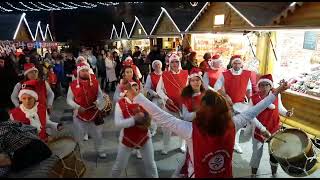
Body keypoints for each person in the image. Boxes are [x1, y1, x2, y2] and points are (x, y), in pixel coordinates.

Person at [121, 79, 290, 178]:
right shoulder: (234, 123)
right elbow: (257, 108)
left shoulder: (189, 130)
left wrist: (137, 97)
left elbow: (162, 117)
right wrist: (275, 93)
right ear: (224, 110)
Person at [111, 81, 158, 178]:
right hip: (127, 138)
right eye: (132, 88)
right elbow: (118, 123)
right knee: (119, 166)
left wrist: (149, 120)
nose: (135, 91)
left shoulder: (143, 101)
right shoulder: (120, 104)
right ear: (126, 91)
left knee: (151, 164)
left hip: (145, 137)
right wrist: (134, 120)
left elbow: (153, 119)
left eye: (136, 88)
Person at [250, 74, 293, 178]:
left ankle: (274, 173)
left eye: (267, 85)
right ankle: (253, 174)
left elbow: (279, 108)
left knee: (274, 154)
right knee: (256, 154)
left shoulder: (276, 94)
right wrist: (262, 128)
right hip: (259, 130)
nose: (264, 88)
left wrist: (287, 113)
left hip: (274, 128)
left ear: (270, 86)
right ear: (258, 86)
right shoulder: (254, 98)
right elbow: (251, 116)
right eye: (261, 85)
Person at [214, 55, 253, 154]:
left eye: (239, 63)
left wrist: (249, 100)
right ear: (231, 64)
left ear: (242, 64)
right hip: (227, 104)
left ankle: (235, 144)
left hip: (241, 104)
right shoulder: (225, 74)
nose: (237, 65)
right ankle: (223, 143)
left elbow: (249, 88)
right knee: (226, 124)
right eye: (235, 63)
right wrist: (226, 96)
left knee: (238, 126)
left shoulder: (246, 74)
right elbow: (216, 86)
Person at [66, 63, 106, 158]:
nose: (85, 73)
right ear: (79, 72)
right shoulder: (73, 85)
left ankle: (100, 150)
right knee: (79, 136)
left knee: (98, 135)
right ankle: (80, 152)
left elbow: (100, 95)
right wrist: (77, 107)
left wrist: (97, 101)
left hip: (94, 113)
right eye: (83, 71)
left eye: (86, 70)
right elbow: (68, 99)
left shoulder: (95, 83)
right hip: (79, 115)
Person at [0, 109, 52, 177]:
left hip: (24, 155)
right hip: (43, 148)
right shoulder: (16, 123)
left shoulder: (1, 131)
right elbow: (33, 129)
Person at [156, 53, 189, 154]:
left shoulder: (185, 73)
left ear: (179, 63)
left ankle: (182, 145)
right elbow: (158, 89)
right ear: (169, 64)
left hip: (182, 105)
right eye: (172, 62)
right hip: (169, 104)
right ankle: (166, 146)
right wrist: (166, 99)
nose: (175, 64)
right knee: (167, 127)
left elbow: (188, 88)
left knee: (182, 126)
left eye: (176, 62)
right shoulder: (164, 75)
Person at [144, 60, 163, 136]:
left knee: (165, 114)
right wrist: (155, 94)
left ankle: (165, 129)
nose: (157, 66)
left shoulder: (165, 74)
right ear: (153, 67)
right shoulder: (150, 75)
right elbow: (147, 87)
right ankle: (153, 129)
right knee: (153, 114)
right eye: (155, 65)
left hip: (164, 98)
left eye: (158, 64)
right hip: (155, 97)